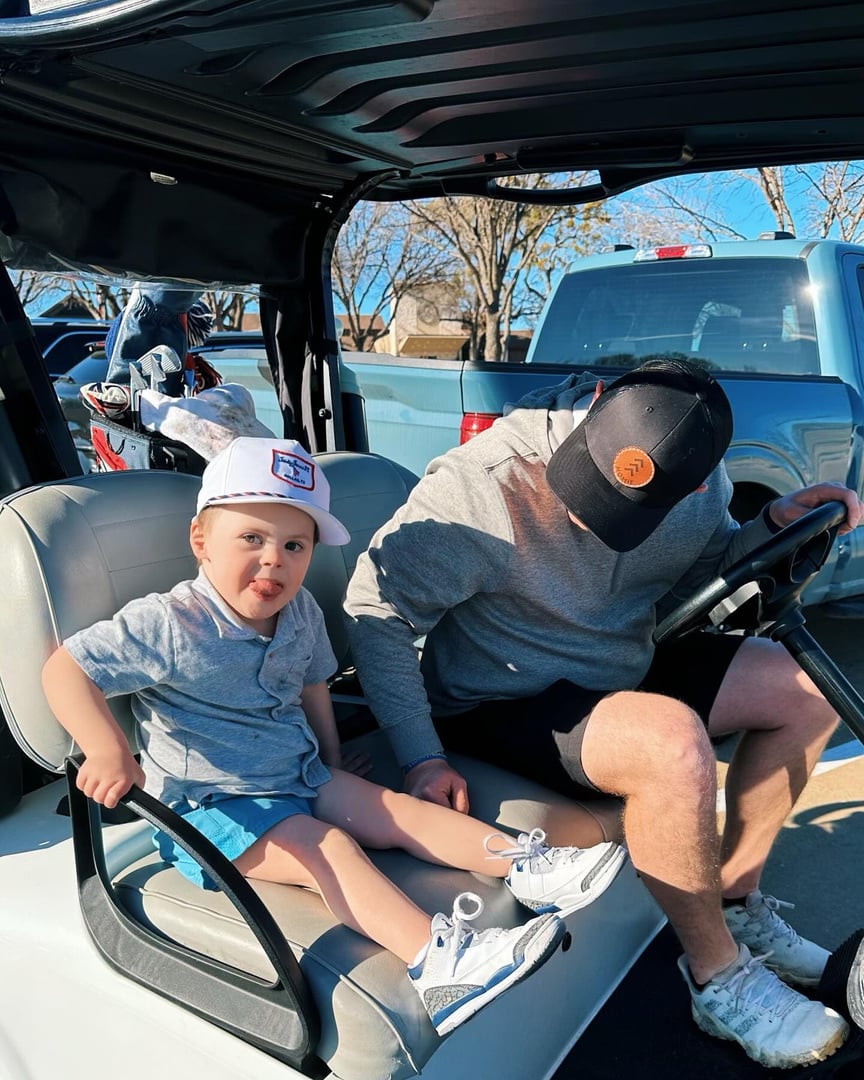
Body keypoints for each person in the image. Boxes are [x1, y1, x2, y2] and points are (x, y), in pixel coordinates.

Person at [344, 357, 863, 1068]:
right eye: (591, 483)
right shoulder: (481, 486)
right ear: (594, 400)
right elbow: (375, 611)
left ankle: (735, 899)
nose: (590, 514)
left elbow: (701, 569)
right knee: (670, 743)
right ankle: (718, 977)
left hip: (622, 661)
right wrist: (421, 754)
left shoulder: (698, 477)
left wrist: (768, 527)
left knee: (803, 690)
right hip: (497, 696)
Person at [41, 435, 626, 1038]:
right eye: (252, 538)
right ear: (201, 541)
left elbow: (314, 686)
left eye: (294, 545)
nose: (274, 561)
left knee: (395, 810)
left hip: (298, 771)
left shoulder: (299, 614)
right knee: (332, 848)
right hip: (213, 811)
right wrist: (108, 748)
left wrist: (331, 758)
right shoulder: (167, 623)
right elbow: (67, 669)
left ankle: (527, 866)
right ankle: (443, 968)